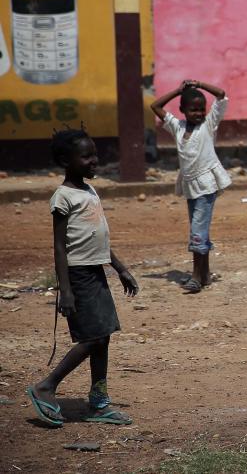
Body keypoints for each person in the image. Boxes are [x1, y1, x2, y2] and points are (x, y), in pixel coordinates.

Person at [27, 127, 139, 427]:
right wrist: (65, 290)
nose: (94, 160)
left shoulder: (89, 191)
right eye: (86, 156)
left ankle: (99, 403)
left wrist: (120, 268)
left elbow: (100, 238)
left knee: (103, 338)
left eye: (94, 154)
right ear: (66, 159)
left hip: (96, 272)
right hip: (78, 275)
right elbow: (60, 246)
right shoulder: (62, 197)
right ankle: (46, 386)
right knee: (92, 338)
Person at [151, 79, 231, 293]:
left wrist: (201, 85)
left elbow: (221, 95)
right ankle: (205, 274)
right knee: (200, 231)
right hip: (190, 186)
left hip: (207, 184)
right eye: (193, 110)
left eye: (201, 109)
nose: (198, 114)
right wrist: (178, 91)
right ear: (183, 110)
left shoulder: (209, 124)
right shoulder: (177, 127)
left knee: (197, 231)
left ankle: (195, 276)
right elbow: (155, 106)